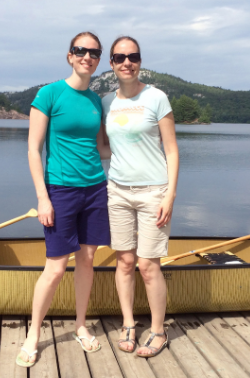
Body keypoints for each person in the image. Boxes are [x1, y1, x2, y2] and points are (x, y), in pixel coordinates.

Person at [16, 31, 110, 367]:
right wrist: (43, 197)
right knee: (55, 268)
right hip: (61, 190)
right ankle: (33, 334)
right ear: (69, 56)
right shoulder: (49, 93)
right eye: (80, 50)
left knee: (87, 260)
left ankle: (81, 326)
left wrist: (139, 149)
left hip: (96, 188)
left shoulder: (97, 101)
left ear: (98, 60)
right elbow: (32, 149)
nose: (87, 56)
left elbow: (101, 149)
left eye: (94, 52)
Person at [99, 36, 179, 358]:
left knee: (148, 265)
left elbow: (171, 150)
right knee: (125, 261)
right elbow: (104, 147)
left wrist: (169, 195)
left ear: (140, 61)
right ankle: (129, 323)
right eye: (120, 57)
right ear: (112, 63)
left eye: (133, 56)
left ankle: (158, 331)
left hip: (153, 192)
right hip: (117, 190)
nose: (127, 62)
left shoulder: (157, 97)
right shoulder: (106, 101)